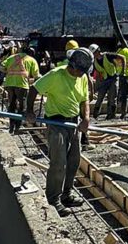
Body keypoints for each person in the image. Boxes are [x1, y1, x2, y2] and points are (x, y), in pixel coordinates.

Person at [28, 46, 93, 214]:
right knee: (58, 163)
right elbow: (34, 88)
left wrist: (85, 118)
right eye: (81, 71)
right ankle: (53, 199)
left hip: (73, 123)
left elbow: (85, 100)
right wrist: (29, 111)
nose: (82, 74)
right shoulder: (56, 75)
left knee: (73, 162)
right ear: (73, 67)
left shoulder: (83, 77)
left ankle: (67, 194)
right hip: (56, 122)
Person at [1, 41, 40, 124]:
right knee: (22, 106)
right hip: (22, 85)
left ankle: (11, 123)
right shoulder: (31, 60)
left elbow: (1, 67)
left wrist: (7, 72)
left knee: (12, 104)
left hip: (9, 84)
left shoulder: (12, 57)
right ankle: (18, 124)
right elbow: (37, 76)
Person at [92, 45, 127, 120]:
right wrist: (96, 86)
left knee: (112, 98)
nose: (94, 55)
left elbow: (122, 57)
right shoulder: (94, 61)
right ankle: (95, 115)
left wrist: (122, 71)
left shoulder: (107, 56)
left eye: (94, 53)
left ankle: (111, 115)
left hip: (113, 78)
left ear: (98, 51)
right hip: (104, 80)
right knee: (100, 98)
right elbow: (98, 73)